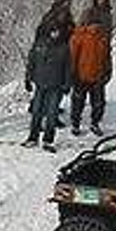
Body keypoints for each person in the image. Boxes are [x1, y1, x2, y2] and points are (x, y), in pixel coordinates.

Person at [23, 15, 73, 151]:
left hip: (56, 85)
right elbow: (31, 62)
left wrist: (67, 84)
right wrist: (28, 78)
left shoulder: (64, 48)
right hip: (40, 84)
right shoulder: (39, 45)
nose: (55, 33)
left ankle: (48, 140)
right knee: (36, 112)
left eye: (57, 31)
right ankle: (32, 138)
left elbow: (68, 68)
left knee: (52, 113)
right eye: (53, 31)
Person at [68, 0, 113, 136]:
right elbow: (73, 55)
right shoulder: (80, 36)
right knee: (80, 101)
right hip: (82, 74)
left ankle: (93, 123)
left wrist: (108, 70)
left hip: (96, 74)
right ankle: (76, 123)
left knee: (97, 102)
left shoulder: (103, 39)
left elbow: (107, 56)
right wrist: (72, 72)